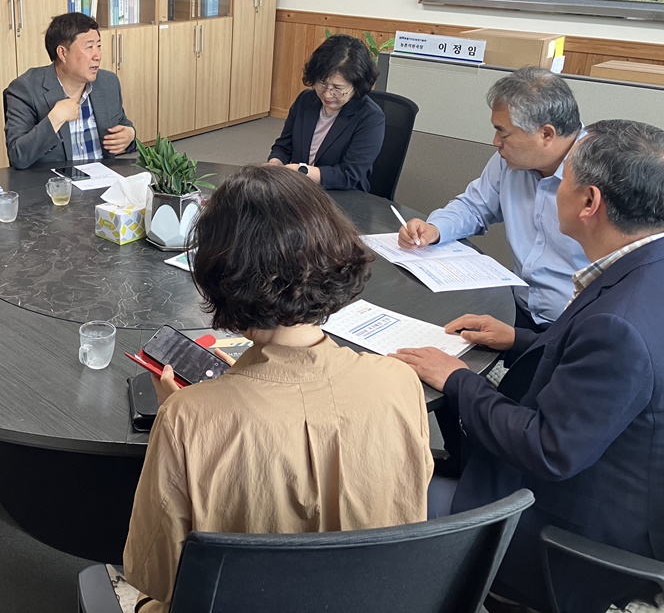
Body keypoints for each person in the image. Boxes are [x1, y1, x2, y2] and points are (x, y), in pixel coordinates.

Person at [123, 166, 432, 613]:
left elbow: (157, 574)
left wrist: (185, 416)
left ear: (218, 275)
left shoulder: (187, 417)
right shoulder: (399, 383)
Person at [393, 120, 664, 612]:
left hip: (565, 532)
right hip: (618, 472)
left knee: (382, 489)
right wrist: (519, 338)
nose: (551, 191)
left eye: (563, 181)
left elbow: (547, 449)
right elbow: (605, 367)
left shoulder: (618, 325)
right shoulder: (646, 269)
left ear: (589, 202)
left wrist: (456, 379)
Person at [397, 66, 587, 331]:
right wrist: (435, 228)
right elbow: (474, 207)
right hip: (519, 308)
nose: (495, 141)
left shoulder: (600, 174)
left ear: (546, 134)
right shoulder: (509, 161)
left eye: (503, 133)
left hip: (574, 327)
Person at [3, 12, 137, 169]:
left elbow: (122, 125)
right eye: (89, 47)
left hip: (103, 177)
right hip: (54, 182)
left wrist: (130, 135)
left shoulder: (108, 83)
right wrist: (55, 118)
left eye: (99, 46)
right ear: (62, 53)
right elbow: (18, 156)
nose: (97, 56)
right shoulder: (25, 90)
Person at [266, 34, 385, 192]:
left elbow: (348, 175)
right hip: (299, 189)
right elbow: (283, 147)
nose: (327, 94)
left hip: (342, 195)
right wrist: (275, 164)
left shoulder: (370, 117)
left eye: (337, 88)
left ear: (356, 86)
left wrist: (301, 171)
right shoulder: (305, 101)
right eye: (322, 83)